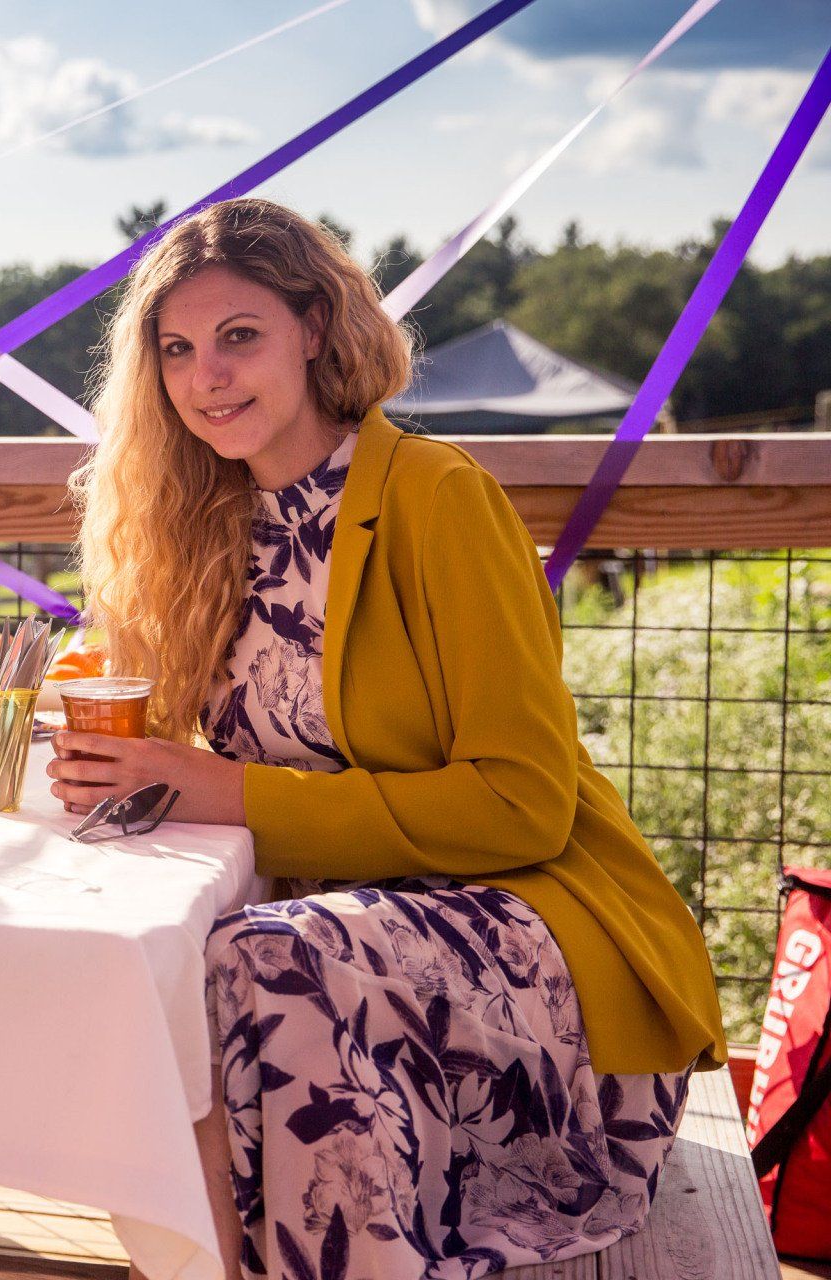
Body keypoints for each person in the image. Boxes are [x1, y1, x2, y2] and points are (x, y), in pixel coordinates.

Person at [48, 198, 726, 1279]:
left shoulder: (436, 497)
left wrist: (227, 792)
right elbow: (194, 746)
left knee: (265, 955)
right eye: (176, 350)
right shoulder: (200, 525)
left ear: (316, 329)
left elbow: (523, 801)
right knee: (171, 965)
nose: (206, 376)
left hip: (531, 956)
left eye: (239, 336)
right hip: (341, 967)